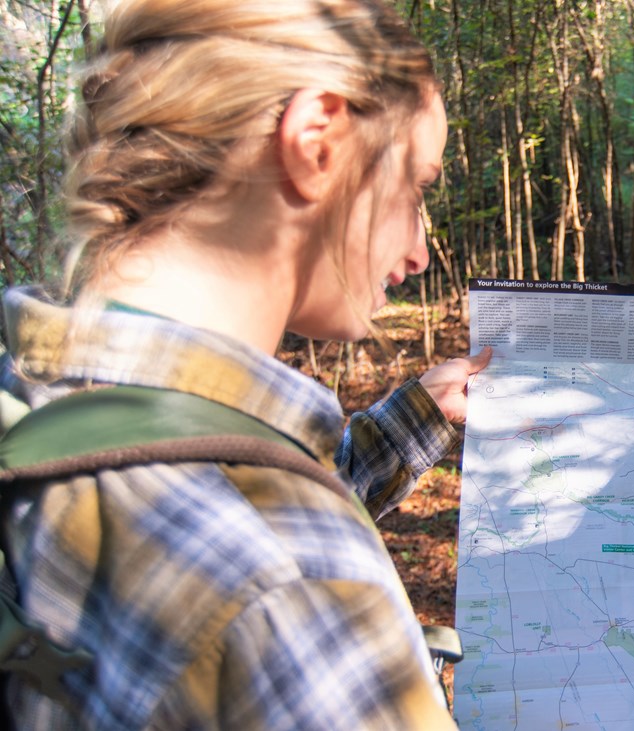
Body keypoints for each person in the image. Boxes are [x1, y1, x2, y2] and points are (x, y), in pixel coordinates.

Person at [0, 0, 488, 727]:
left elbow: (200, 497)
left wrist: (417, 416)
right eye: (417, 186)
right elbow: (254, 551)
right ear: (318, 141)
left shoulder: (41, 397)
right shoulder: (301, 590)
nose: (419, 250)